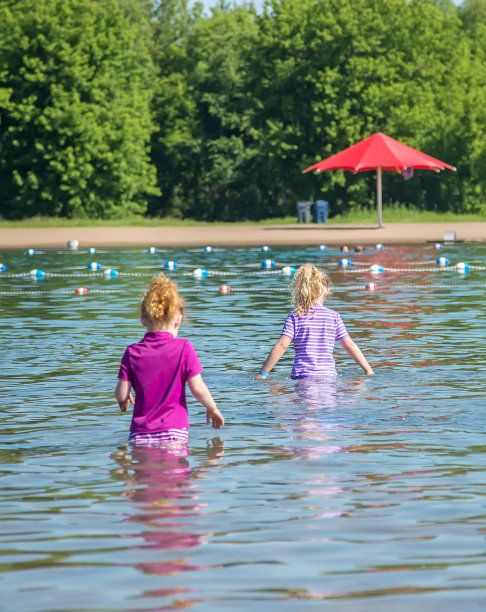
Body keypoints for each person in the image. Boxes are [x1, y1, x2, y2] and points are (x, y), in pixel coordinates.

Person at [115, 273, 224, 445]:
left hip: (140, 435)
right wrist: (212, 408)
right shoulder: (184, 348)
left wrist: (124, 397)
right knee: (176, 471)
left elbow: (121, 394)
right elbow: (198, 388)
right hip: (174, 433)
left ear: (142, 319)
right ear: (178, 320)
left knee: (143, 472)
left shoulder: (132, 352)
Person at [256, 263, 374, 380]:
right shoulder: (334, 317)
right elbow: (349, 346)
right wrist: (368, 370)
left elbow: (282, 346)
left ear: (300, 291)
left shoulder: (295, 316)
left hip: (302, 376)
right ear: (326, 291)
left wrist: (263, 373)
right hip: (328, 377)